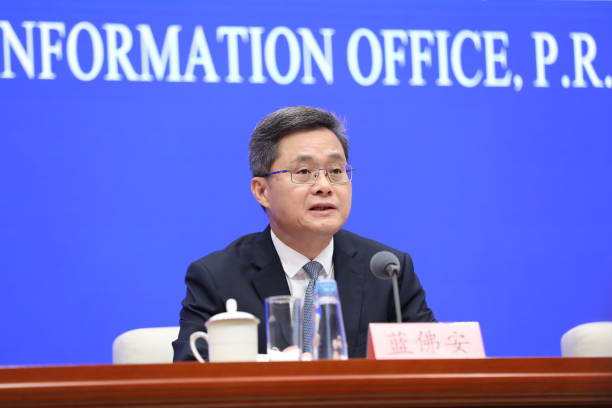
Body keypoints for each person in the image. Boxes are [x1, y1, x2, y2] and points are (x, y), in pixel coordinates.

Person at [172, 106, 435, 361]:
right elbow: (190, 373)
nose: (324, 186)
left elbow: (433, 364)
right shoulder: (217, 277)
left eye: (336, 171)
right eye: (304, 172)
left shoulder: (388, 272)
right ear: (262, 191)